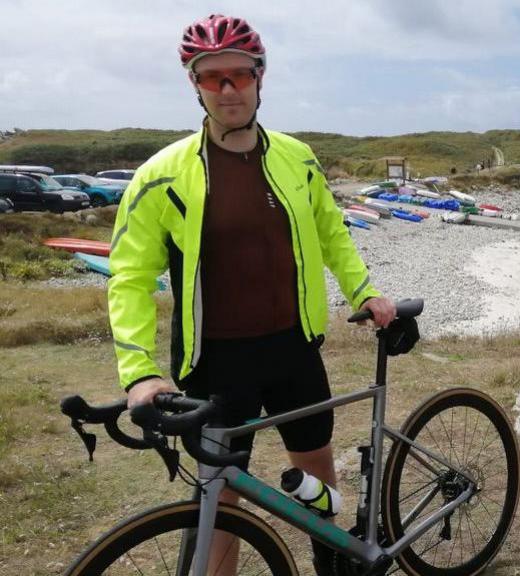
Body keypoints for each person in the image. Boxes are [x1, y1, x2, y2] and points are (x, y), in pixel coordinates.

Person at [107, 14, 395, 575]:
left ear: (261, 78)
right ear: (195, 85)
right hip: (215, 362)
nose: (229, 89)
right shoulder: (159, 176)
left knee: (315, 481)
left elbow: (331, 231)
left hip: (293, 349)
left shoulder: (297, 157)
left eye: (240, 75)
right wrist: (138, 370)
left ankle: (332, 566)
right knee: (219, 501)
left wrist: (363, 290)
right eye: (213, 78)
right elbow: (129, 278)